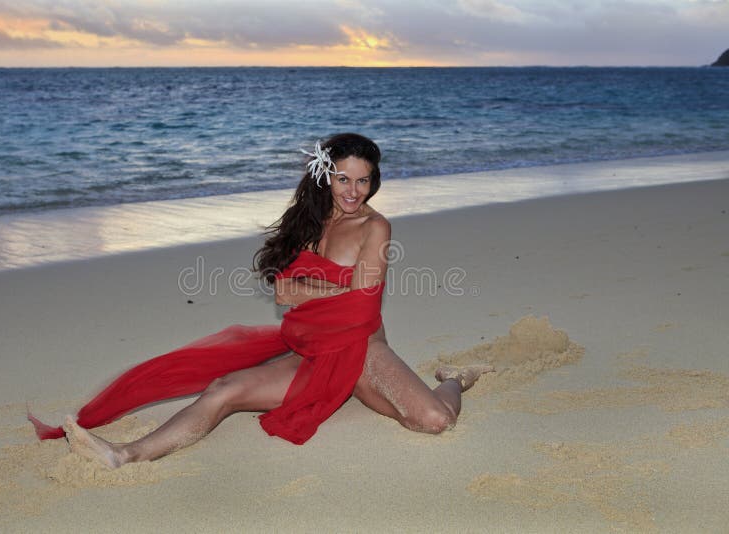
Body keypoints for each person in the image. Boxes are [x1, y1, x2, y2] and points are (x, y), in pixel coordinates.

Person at [60, 133, 493, 468]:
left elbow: (361, 305)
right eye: (344, 178)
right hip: (310, 349)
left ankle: (456, 378)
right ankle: (126, 455)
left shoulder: (374, 227)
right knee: (224, 389)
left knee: (432, 421)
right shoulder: (308, 220)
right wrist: (339, 290)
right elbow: (284, 292)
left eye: (363, 180)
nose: (353, 191)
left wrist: (318, 291)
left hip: (361, 349)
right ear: (327, 175)